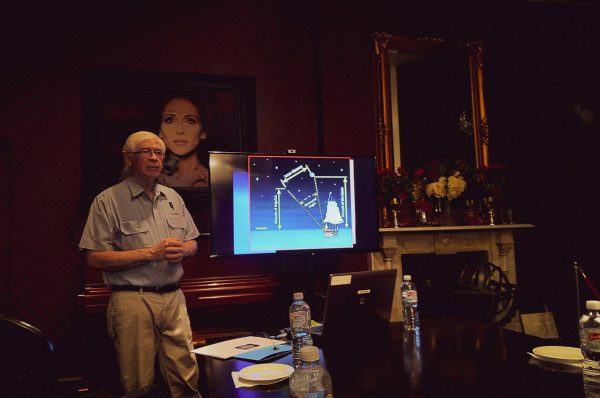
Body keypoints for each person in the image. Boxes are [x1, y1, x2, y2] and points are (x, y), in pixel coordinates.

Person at [79, 131, 202, 397]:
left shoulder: (172, 198)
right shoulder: (107, 201)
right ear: (129, 159)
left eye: (159, 153)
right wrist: (149, 253)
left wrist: (183, 249)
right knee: (138, 383)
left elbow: (193, 242)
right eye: (147, 152)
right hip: (132, 299)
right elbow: (95, 258)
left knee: (186, 378)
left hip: (174, 297)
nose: (155, 158)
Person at [157, 96, 210, 187]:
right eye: (169, 120)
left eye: (190, 121)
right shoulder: (148, 177)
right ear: (160, 131)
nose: (180, 130)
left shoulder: (212, 181)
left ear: (203, 131)